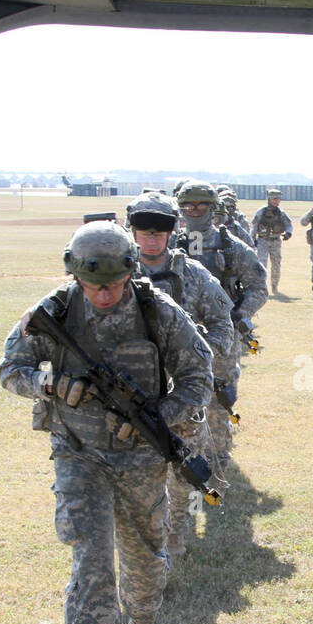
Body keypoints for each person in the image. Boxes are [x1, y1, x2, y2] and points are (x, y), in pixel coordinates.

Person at [0, 220, 214, 624]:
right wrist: (49, 384)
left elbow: (199, 375)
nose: (103, 294)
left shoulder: (156, 310)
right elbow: (9, 370)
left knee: (142, 556)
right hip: (78, 453)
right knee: (90, 556)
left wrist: (158, 417)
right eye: (93, 285)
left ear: (130, 274)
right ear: (75, 275)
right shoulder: (53, 310)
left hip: (140, 458)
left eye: (113, 285)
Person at [127, 192, 235, 559]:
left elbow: (223, 324)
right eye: (144, 231)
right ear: (133, 232)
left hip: (182, 391)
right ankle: (142, 540)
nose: (152, 238)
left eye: (161, 230)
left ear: (173, 232)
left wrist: (200, 351)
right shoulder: (116, 273)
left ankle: (176, 534)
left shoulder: (193, 274)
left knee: (184, 465)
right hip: (131, 390)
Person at [173, 179, 267, 470]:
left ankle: (218, 460)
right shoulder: (172, 246)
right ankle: (184, 458)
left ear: (213, 208)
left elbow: (258, 286)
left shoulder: (231, 247)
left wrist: (237, 315)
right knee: (179, 400)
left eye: (201, 205)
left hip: (221, 339)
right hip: (177, 340)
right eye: (189, 206)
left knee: (218, 400)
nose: (195, 211)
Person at [251, 188, 293, 293]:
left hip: (275, 241)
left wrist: (288, 233)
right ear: (269, 199)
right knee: (262, 264)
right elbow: (254, 226)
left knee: (276, 264)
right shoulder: (261, 211)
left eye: (278, 199)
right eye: (274, 199)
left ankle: (274, 286)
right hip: (263, 241)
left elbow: (288, 224)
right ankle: (262, 286)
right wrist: (253, 239)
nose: (277, 201)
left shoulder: (281, 213)